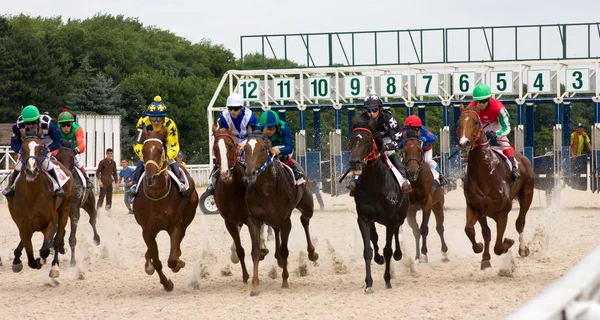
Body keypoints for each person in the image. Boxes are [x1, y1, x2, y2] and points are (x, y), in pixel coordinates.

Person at [348, 91, 412, 194]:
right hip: (370, 141)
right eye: (369, 110)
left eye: (374, 110)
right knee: (361, 155)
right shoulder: (362, 120)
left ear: (380, 109)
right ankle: (355, 180)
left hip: (386, 139)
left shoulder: (389, 118)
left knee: (389, 154)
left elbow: (398, 139)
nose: (371, 113)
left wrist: (388, 146)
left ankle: (403, 180)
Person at [129, 96, 190, 196]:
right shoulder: (142, 122)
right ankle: (135, 185)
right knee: (141, 161)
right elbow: (137, 143)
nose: (156, 121)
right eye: (153, 118)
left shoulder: (170, 124)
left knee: (172, 161)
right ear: (149, 116)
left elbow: (174, 146)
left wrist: (167, 156)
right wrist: (144, 154)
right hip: (148, 147)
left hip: (164, 147)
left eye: (159, 118)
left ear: (164, 117)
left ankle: (181, 183)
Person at [3, 105, 65, 197]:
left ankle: (57, 187)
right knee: (19, 165)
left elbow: (59, 139)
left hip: (46, 143)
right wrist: (20, 149)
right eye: (27, 123)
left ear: (38, 120)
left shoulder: (48, 123)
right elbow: (14, 141)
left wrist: (49, 148)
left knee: (46, 164)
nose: (30, 126)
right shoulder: (19, 124)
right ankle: (11, 186)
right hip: (28, 145)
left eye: (33, 123)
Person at [206, 92, 259, 195]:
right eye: (230, 108)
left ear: (241, 108)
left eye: (235, 108)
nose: (232, 111)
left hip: (246, 141)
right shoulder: (223, 117)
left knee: (252, 158)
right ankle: (214, 182)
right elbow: (216, 135)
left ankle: (256, 183)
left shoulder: (250, 117)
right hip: (230, 140)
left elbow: (255, 135)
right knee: (221, 154)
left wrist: (244, 144)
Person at [468, 83, 520, 181]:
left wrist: (496, 134)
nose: (481, 104)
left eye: (484, 101)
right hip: (482, 124)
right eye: (478, 101)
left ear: (489, 99)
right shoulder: (471, 107)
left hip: (496, 124)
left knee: (503, 141)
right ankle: (467, 171)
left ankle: (514, 166)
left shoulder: (499, 108)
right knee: (473, 143)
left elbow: (507, 127)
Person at [256, 109, 306, 185]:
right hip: (266, 149)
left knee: (278, 156)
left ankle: (297, 173)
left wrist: (279, 150)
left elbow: (289, 148)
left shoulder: (284, 128)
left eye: (271, 128)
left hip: (282, 149)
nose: (268, 131)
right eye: (266, 129)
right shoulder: (258, 127)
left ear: (276, 125)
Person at [400, 115, 447, 186]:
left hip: (425, 150)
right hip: (411, 152)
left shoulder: (423, 130)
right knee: (400, 162)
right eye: (409, 129)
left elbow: (434, 138)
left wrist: (423, 138)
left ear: (419, 128)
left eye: (414, 129)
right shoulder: (403, 131)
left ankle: (440, 176)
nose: (411, 131)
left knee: (428, 161)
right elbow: (399, 143)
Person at [56, 108, 95, 189]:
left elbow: (82, 145)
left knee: (77, 162)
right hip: (61, 151)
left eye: (68, 125)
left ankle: (86, 179)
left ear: (71, 124)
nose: (66, 128)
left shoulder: (77, 129)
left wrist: (76, 150)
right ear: (60, 125)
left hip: (73, 150)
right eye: (63, 125)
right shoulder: (57, 130)